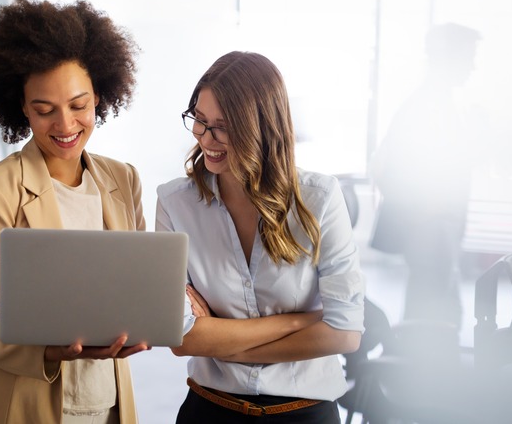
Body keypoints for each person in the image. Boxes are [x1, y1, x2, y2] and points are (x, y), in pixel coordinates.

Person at [0, 0, 149, 423]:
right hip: (21, 404)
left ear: (100, 96)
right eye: (44, 110)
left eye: (79, 105)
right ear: (21, 107)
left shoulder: (123, 180)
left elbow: (136, 287)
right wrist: (48, 350)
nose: (65, 125)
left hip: (108, 402)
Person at [156, 51, 365, 423]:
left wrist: (227, 346)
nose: (206, 138)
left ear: (262, 128)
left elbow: (344, 334)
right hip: (209, 411)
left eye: (222, 126)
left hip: (303, 413)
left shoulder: (319, 199)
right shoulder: (175, 203)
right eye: (199, 121)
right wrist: (299, 321)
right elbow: (183, 338)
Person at [370, 23, 483, 328]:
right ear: (449, 57)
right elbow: (384, 168)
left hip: (439, 230)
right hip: (431, 230)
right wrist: (428, 215)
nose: (473, 66)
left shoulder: (442, 105)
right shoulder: (424, 108)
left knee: (437, 314)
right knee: (431, 319)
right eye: (468, 57)